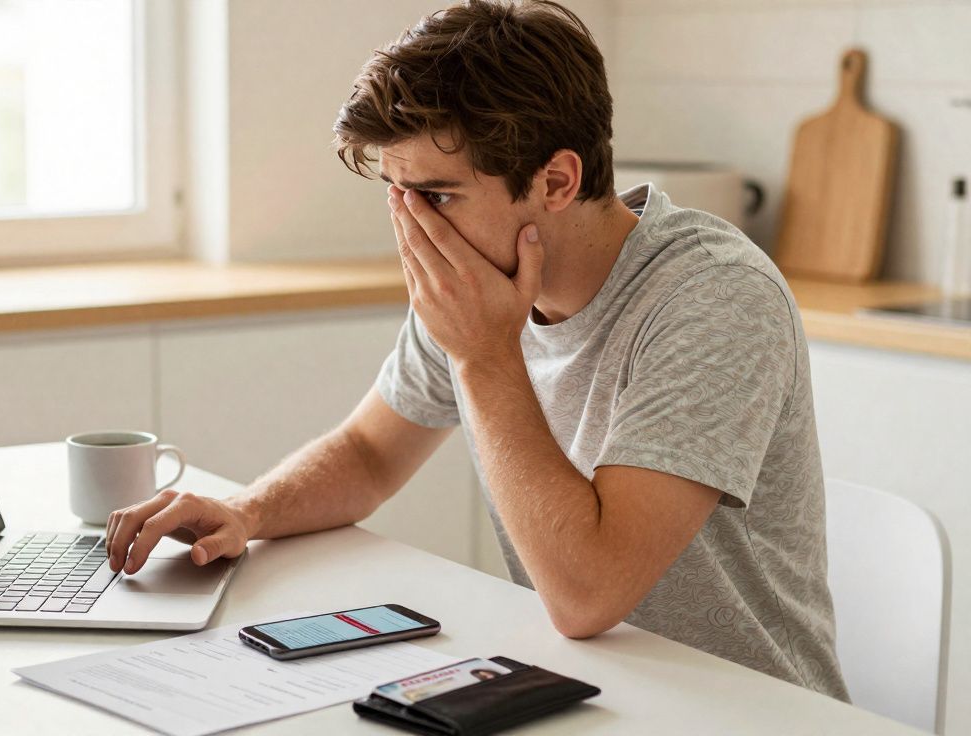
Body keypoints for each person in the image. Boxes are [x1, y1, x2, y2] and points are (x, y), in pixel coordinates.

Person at [105, 0, 848, 700]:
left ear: (557, 180)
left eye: (437, 195)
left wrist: (484, 354)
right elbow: (369, 454)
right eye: (396, 195)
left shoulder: (714, 297)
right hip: (602, 690)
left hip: (746, 708)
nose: (412, 231)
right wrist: (246, 509)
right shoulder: (482, 279)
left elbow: (588, 593)